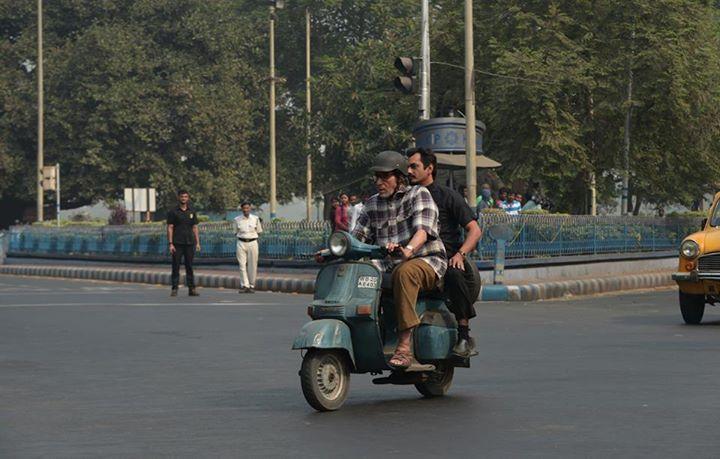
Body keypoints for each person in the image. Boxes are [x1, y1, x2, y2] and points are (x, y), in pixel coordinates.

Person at [352, 150, 447, 370]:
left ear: (400, 177)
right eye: (376, 177)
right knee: (357, 273)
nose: (379, 182)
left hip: (427, 261)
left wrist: (409, 249)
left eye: (385, 177)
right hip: (388, 266)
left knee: (404, 273)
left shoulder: (418, 194)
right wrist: (333, 250)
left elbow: (423, 230)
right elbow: (357, 238)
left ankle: (404, 347)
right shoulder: (372, 204)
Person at [407, 148, 483, 356]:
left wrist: (460, 254)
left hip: (444, 259)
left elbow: (475, 231)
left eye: (414, 166)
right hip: (414, 259)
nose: (409, 171)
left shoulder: (448, 197)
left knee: (453, 273)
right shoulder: (406, 197)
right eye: (408, 166)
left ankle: (464, 335)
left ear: (429, 169)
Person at [166, 190, 200, 297]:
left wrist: (198, 242)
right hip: (177, 243)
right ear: (179, 198)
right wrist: (170, 243)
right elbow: (170, 227)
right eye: (182, 197)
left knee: (189, 266)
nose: (184, 198)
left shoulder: (192, 211)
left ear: (188, 198)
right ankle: (174, 288)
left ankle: (192, 288)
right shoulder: (173, 211)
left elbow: (195, 227)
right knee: (176, 266)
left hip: (190, 242)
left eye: (185, 197)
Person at [234, 201, 263, 293]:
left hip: (253, 242)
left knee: (252, 265)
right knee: (242, 265)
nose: (246, 210)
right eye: (244, 208)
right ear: (242, 209)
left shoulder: (255, 219)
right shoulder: (237, 219)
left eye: (247, 208)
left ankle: (251, 285)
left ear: (250, 209)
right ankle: (244, 285)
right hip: (241, 242)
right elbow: (235, 232)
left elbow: (259, 231)